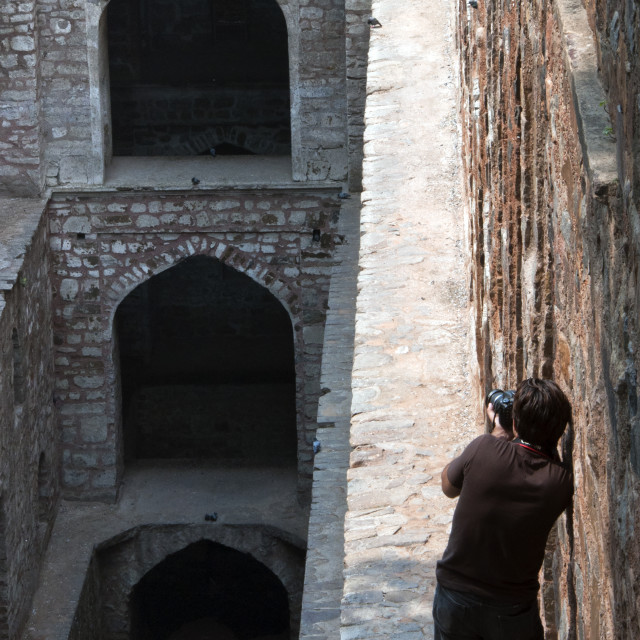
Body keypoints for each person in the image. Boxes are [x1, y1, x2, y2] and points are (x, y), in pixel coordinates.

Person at [433, 378, 573, 640]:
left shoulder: (483, 448)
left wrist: (498, 432)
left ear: (516, 423)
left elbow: (448, 487)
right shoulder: (560, 483)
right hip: (511, 610)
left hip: (455, 596)